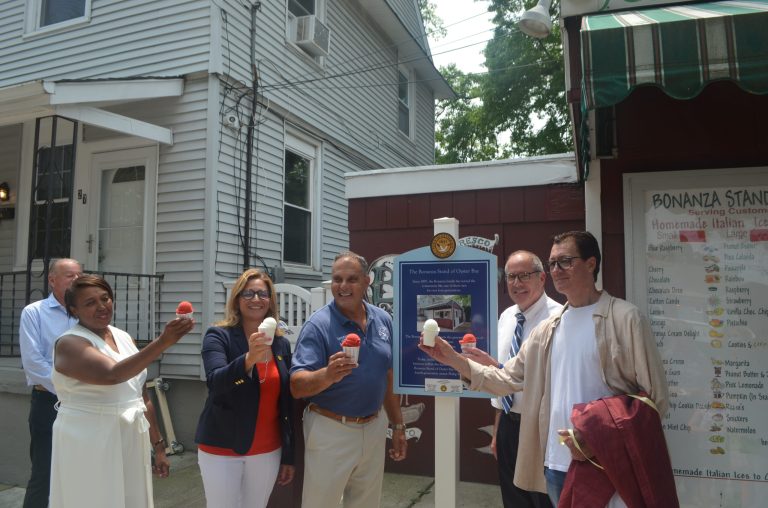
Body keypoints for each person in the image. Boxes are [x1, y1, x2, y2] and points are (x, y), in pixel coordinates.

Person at [419, 231, 668, 507]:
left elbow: (653, 400)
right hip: (555, 464)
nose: (557, 270)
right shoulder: (547, 329)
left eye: (566, 261)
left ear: (591, 263)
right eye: (552, 263)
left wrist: (601, 438)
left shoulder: (625, 319)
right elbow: (505, 379)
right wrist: (452, 358)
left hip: (605, 466)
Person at [50, 275, 194, 508]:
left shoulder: (124, 337)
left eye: (105, 298)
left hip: (129, 436)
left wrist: (158, 448)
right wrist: (163, 341)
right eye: (90, 303)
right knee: (93, 499)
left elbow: (141, 395)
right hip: (89, 437)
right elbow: (113, 375)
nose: (101, 306)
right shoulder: (69, 343)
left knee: (130, 499)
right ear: (74, 310)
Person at [290, 251, 407, 508]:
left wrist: (397, 425)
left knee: (366, 504)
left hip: (374, 426)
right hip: (331, 429)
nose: (343, 286)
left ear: (367, 281)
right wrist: (327, 375)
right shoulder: (318, 325)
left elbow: (387, 374)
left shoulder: (383, 319)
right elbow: (297, 386)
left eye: (351, 279)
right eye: (337, 279)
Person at [464, 251, 559, 508]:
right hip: (508, 424)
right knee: (513, 498)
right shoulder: (506, 317)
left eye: (524, 276)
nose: (517, 284)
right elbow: (501, 379)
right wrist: (498, 429)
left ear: (542, 278)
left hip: (541, 426)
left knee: (543, 500)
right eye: (511, 277)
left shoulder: (558, 319)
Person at [195, 269, 295, 508]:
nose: (256, 299)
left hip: (268, 450)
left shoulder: (281, 343)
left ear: (270, 301)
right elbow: (216, 383)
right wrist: (249, 359)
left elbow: (286, 402)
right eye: (248, 293)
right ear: (237, 300)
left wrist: (289, 455)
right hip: (223, 446)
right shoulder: (218, 336)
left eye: (262, 293)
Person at [19, 258, 82, 508]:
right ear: (52, 280)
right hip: (49, 402)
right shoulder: (34, 313)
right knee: (44, 474)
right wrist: (68, 390)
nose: (76, 280)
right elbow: (34, 362)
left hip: (83, 403)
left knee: (78, 472)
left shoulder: (86, 313)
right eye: (69, 275)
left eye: (80, 275)